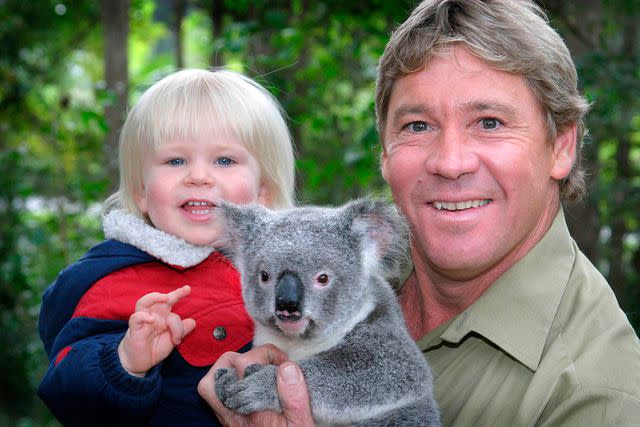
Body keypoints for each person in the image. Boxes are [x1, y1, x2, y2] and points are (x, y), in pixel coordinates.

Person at [198, 0, 640, 425]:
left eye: (490, 122)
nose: (451, 162)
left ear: (561, 147)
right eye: (417, 126)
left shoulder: (599, 391)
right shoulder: (349, 257)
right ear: (385, 154)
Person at [37, 68, 296, 426]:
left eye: (224, 160)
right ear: (142, 191)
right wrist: (126, 360)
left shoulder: (293, 273)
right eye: (176, 160)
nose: (199, 176)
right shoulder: (116, 283)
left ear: (263, 191)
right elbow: (66, 390)